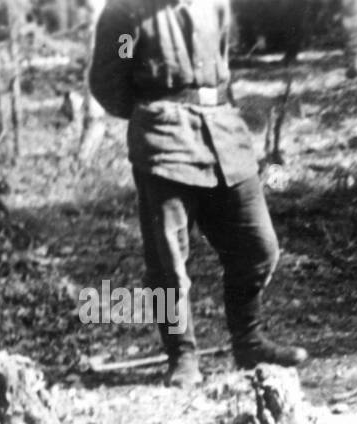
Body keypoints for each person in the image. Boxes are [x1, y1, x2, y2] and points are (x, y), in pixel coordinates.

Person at [89, 0, 307, 389]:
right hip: (164, 142)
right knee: (168, 259)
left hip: (224, 133)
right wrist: (152, 113)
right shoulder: (127, 12)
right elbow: (109, 82)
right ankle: (182, 357)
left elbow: (223, 62)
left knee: (259, 247)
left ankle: (250, 342)